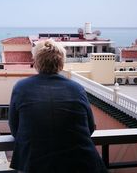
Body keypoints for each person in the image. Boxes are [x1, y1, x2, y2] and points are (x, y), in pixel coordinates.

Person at [9, 39, 107, 173]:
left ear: (36, 62)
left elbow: (15, 129)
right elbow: (89, 127)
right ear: (61, 63)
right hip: (82, 163)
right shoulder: (76, 88)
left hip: (35, 164)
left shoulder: (21, 87)